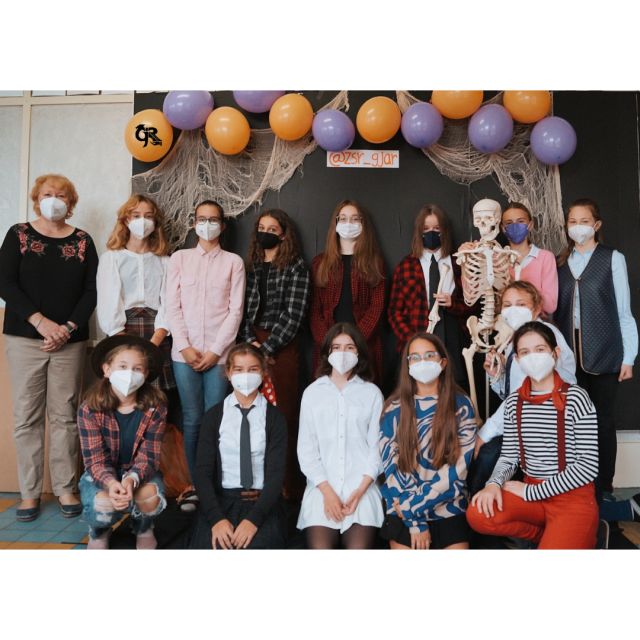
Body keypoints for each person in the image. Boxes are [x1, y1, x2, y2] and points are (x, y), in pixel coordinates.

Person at [0, 173, 98, 522]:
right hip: (24, 338)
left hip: (70, 341)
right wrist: (41, 322)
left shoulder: (83, 241)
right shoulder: (18, 235)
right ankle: (29, 493)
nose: (54, 199)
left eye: (61, 195)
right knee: (27, 417)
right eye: (47, 194)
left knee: (64, 416)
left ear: (70, 203)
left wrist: (67, 328)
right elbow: (5, 283)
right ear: (36, 199)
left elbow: (91, 291)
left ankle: (65, 488)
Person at [468, 322, 599, 549]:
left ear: (555, 353)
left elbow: (587, 466)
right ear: (517, 360)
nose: (533, 357)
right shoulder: (514, 402)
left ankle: (573, 535)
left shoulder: (576, 398)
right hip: (532, 495)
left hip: (572, 498)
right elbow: (509, 456)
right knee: (478, 513)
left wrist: (532, 491)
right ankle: (545, 535)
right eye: (525, 352)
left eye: (540, 349)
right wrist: (493, 484)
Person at [555, 198, 638, 498]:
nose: (578, 227)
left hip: (605, 352)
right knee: (573, 423)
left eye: (584, 221)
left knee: (602, 421)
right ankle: (576, 483)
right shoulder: (560, 263)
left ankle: (604, 486)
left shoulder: (612, 258)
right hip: (568, 356)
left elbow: (624, 312)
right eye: (572, 222)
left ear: (596, 224)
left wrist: (628, 357)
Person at [166, 200, 245, 509]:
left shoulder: (233, 262)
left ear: (222, 226)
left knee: (215, 418)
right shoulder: (179, 259)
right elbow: (172, 305)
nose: (207, 224)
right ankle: (194, 484)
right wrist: (184, 346)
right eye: (202, 219)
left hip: (219, 355)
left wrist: (215, 351)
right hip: (183, 353)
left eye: (213, 220)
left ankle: (215, 483)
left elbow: (235, 311)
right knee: (191, 418)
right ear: (194, 223)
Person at [468, 281, 576, 495]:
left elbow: (522, 395)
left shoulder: (542, 336)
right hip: (522, 416)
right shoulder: (515, 339)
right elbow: (510, 392)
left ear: (536, 308)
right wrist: (497, 376)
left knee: (487, 453)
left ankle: (475, 502)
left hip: (545, 420)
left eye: (520, 304)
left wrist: (486, 432)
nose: (513, 310)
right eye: (507, 305)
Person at [379, 332, 477, 550]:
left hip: (448, 506)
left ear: (443, 362)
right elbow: (391, 467)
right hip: (402, 508)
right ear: (407, 365)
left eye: (429, 355)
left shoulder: (461, 405)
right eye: (414, 357)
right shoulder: (393, 408)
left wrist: (413, 508)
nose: (422, 361)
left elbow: (458, 470)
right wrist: (415, 521)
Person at [240, 208, 311, 498]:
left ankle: (287, 485)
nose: (266, 233)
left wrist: (267, 349)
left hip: (281, 346)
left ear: (283, 235)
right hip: (250, 344)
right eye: (262, 228)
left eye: (272, 229)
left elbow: (294, 314)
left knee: (284, 415)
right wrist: (250, 343)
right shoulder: (251, 266)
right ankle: (252, 482)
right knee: (250, 415)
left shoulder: (296, 267)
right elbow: (241, 310)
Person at [190, 343, 287, 550]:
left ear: (263, 372)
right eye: (239, 369)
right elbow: (202, 472)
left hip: (262, 502)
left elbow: (276, 475)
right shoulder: (214, 417)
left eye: (253, 369)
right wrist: (216, 519)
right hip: (221, 501)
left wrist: (253, 520)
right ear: (228, 372)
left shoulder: (275, 418)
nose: (246, 375)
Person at [297, 323, 384, 549]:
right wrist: (328, 493)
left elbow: (377, 449)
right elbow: (306, 450)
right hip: (321, 488)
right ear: (327, 352)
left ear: (359, 353)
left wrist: (360, 491)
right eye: (336, 347)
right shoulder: (312, 393)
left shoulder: (372, 393)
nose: (342, 353)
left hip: (362, 490)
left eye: (349, 347)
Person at [78, 335, 167, 549]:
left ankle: (144, 527)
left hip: (138, 472)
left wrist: (132, 479)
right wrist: (111, 483)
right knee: (102, 504)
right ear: (107, 369)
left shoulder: (156, 407)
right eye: (123, 366)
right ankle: (99, 531)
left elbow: (149, 456)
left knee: (150, 497)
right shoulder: (89, 409)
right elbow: (95, 460)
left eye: (137, 368)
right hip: (102, 473)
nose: (129, 373)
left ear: (145, 374)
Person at [97, 194, 175, 395]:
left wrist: (155, 342)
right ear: (126, 220)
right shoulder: (112, 258)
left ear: (155, 222)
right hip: (122, 331)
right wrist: (123, 343)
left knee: (155, 394)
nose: (143, 221)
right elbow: (108, 302)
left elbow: (169, 302)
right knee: (123, 393)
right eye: (136, 215)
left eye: (148, 216)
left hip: (156, 330)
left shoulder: (165, 261)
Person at [388, 204, 471, 387]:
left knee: (454, 387)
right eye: (425, 229)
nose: (431, 233)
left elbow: (472, 305)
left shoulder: (459, 262)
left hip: (453, 338)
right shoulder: (407, 265)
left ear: (444, 231)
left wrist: (452, 304)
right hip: (418, 335)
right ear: (419, 232)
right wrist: (412, 340)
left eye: (436, 228)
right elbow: (394, 312)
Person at [309, 200, 385, 382]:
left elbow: (377, 306)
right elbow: (314, 310)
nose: (348, 224)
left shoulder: (374, 262)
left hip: (364, 346)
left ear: (362, 224)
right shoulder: (320, 263)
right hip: (328, 347)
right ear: (336, 223)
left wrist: (355, 342)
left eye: (354, 219)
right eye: (343, 219)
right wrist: (329, 342)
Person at [500, 202, 558, 315]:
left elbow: (550, 306)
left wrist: (520, 286)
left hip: (535, 322)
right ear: (503, 228)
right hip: (503, 323)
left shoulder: (545, 258)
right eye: (509, 223)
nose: (515, 226)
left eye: (520, 221)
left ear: (530, 225)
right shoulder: (498, 259)